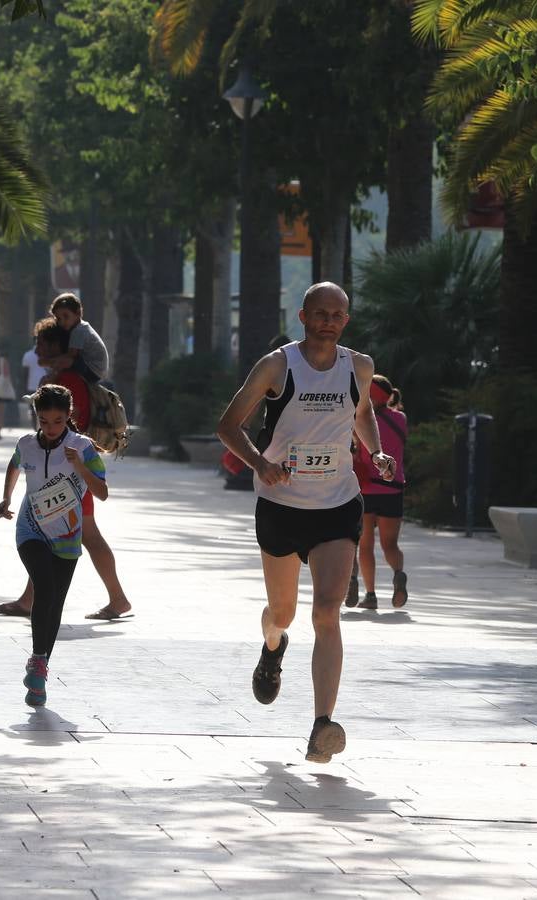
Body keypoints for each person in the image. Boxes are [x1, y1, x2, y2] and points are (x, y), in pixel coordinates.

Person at [217, 282, 395, 764]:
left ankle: (322, 725)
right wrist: (260, 464)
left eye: (337, 315)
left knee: (327, 613)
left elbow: (362, 412)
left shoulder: (359, 367)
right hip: (281, 506)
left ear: (346, 320)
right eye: (320, 313)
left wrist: (375, 451)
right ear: (303, 316)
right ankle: (272, 646)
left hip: (337, 504)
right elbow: (228, 425)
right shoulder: (277, 366)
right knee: (283, 613)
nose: (328, 322)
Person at [0, 317, 132, 621]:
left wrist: (74, 461)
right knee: (50, 530)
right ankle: (31, 599)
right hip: (58, 472)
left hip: (70, 474)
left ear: (57, 346)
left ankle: (117, 598)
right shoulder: (59, 377)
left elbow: (76, 426)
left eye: (41, 343)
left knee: (85, 535)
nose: (37, 349)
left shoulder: (66, 381)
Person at [0, 384, 109, 707]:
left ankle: (41, 666)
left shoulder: (82, 447)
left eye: (58, 421)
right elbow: (14, 464)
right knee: (44, 588)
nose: (50, 428)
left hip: (67, 534)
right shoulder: (27, 444)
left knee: (55, 601)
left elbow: (102, 493)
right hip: (30, 529)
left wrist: (80, 466)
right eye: (44, 421)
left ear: (69, 415)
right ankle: (37, 659)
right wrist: (6, 498)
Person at [347, 374, 409, 611]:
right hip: (393, 489)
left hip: (366, 490)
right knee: (390, 544)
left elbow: (355, 449)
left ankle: (370, 595)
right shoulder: (401, 418)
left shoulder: (361, 420)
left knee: (364, 545)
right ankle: (398, 574)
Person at [47, 293, 109, 385]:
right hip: (94, 369)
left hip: (94, 371)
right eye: (59, 319)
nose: (62, 322)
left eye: (66, 316)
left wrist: (50, 362)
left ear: (78, 313)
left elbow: (70, 355)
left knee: (67, 361)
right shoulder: (79, 327)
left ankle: (52, 382)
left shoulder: (79, 330)